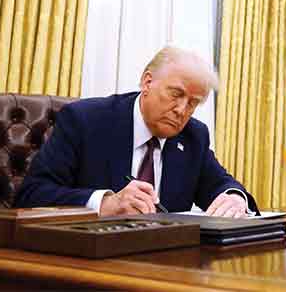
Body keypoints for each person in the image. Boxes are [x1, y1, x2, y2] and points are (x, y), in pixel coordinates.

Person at [15, 46, 256, 218]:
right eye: (176, 94)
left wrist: (234, 198)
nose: (182, 110)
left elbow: (221, 184)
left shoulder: (193, 136)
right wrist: (106, 203)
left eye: (193, 103)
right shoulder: (85, 120)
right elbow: (32, 195)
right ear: (147, 82)